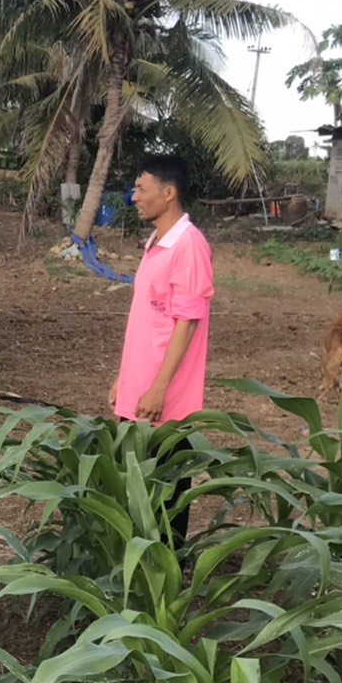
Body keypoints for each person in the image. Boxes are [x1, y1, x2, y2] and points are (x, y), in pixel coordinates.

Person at [108, 153, 214, 543]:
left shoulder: (189, 246)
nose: (133, 196)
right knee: (138, 489)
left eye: (141, 188)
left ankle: (168, 576)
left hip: (165, 400)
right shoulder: (158, 243)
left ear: (168, 193)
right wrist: (125, 378)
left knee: (167, 493)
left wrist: (157, 388)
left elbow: (187, 323)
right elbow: (147, 321)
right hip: (140, 392)